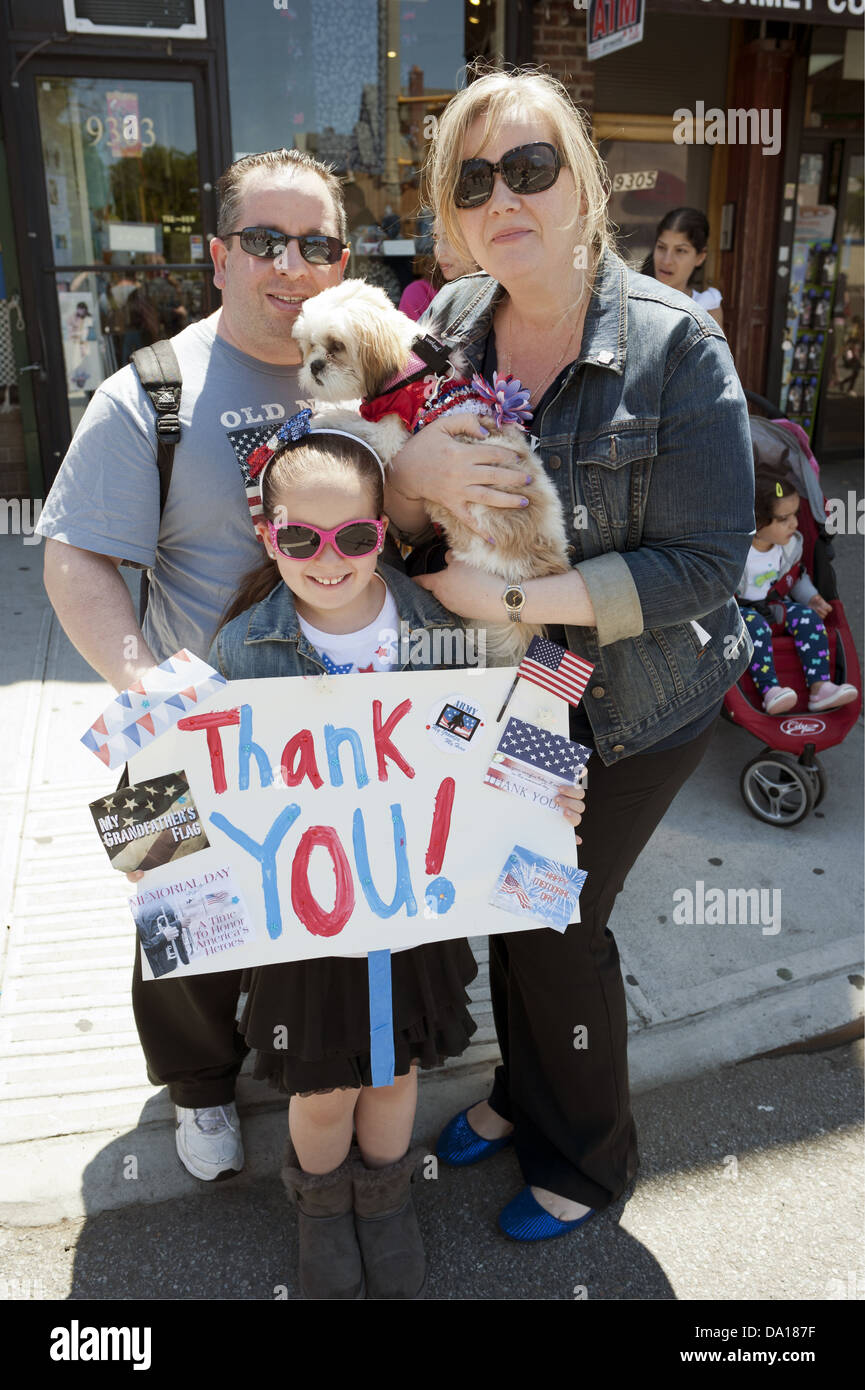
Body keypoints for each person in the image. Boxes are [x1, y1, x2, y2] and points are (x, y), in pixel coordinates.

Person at [382, 67, 755, 1241]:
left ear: (584, 184)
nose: (504, 195)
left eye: (531, 167)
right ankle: (514, 1092)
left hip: (640, 695)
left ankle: (589, 1160)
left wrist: (514, 588)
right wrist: (407, 486)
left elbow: (703, 564)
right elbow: (390, 485)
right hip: (506, 687)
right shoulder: (445, 324)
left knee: (557, 919)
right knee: (507, 897)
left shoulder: (674, 348)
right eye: (475, 176)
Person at [207, 414, 589, 1297]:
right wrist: (155, 853)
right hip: (307, 932)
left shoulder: (439, 620)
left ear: (385, 530)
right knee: (321, 1090)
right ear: (268, 535)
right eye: (298, 536)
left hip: (416, 909)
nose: (327, 556)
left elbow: (516, 706)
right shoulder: (240, 647)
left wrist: (552, 791)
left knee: (395, 1072)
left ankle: (382, 1202)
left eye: (355, 534)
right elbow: (192, 772)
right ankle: (320, 1210)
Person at [36, 147, 356, 1183]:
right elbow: (76, 553)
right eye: (264, 239)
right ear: (219, 256)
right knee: (172, 926)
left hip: (335, 733)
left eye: (317, 243)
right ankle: (200, 1086)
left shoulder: (373, 377)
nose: (291, 264)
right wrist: (139, 679)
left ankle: (290, 1056)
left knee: (314, 913)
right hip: (184, 726)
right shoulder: (154, 391)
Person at [736, 474, 858, 715]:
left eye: (795, 515)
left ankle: (819, 688)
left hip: (775, 606)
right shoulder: (737, 552)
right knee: (755, 626)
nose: (794, 523)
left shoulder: (790, 547)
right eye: (784, 519)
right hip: (741, 614)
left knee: (809, 619)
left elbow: (796, 577)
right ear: (756, 522)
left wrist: (811, 597)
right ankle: (771, 691)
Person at [642, 207, 724, 328]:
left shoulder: (706, 306)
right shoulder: (632, 299)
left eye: (680, 250)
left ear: (700, 257)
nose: (667, 260)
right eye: (661, 247)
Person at [398, 219, 476, 320]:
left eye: (450, 240)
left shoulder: (499, 292)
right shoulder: (420, 294)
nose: (438, 252)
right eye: (435, 240)